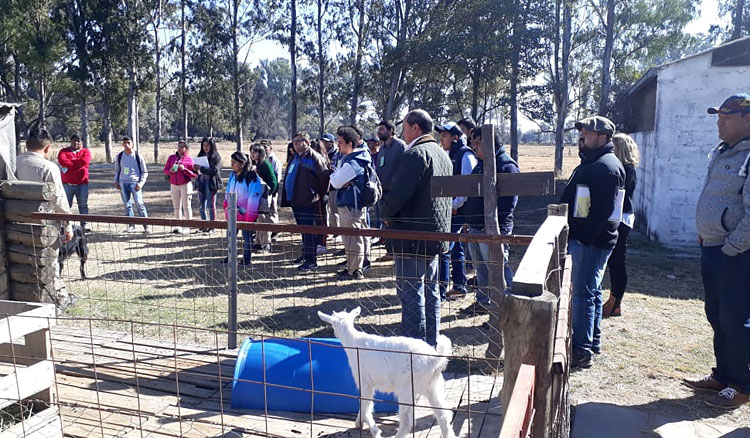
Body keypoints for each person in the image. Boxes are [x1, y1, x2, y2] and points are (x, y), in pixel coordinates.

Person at [684, 93, 750, 409]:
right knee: (717, 316)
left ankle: (742, 385)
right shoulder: (725, 152)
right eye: (718, 116)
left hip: (736, 254)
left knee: (736, 318)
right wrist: (707, 234)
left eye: (727, 117)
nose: (719, 122)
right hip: (714, 247)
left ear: (748, 119)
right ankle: (723, 375)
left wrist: (732, 247)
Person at [380, 109, 452, 347]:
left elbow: (399, 195)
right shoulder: (442, 154)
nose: (402, 132)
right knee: (430, 292)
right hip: (433, 234)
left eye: (404, 127)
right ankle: (430, 344)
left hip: (412, 234)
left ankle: (413, 348)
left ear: (415, 128)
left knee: (411, 293)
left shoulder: (416, 155)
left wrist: (385, 211)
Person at [559, 116, 624, 369]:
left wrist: (583, 238)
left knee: (584, 294)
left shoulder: (604, 166)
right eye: (582, 131)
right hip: (590, 240)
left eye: (588, 131)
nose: (582, 135)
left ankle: (581, 350)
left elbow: (602, 211)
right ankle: (591, 341)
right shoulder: (595, 162)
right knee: (592, 291)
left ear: (604, 137)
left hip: (590, 242)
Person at [459, 127, 519, 315]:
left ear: (489, 143)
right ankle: (485, 302)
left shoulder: (505, 165)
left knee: (498, 268)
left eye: (477, 143)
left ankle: (506, 308)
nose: (473, 147)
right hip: (476, 226)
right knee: (482, 269)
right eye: (472, 143)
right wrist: (469, 219)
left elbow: (510, 201)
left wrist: (492, 225)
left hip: (493, 229)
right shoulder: (481, 163)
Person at [16, 128, 75, 309]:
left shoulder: (13, 162)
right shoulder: (49, 167)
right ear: (48, 148)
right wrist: (68, 223)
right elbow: (58, 198)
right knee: (50, 261)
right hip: (45, 226)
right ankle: (57, 298)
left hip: (16, 223)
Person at [436, 121, 477, 301]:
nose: (441, 139)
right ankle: (460, 285)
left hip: (457, 212)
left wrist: (454, 205)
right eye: (441, 135)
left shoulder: (465, 155)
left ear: (455, 138)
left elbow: (467, 187)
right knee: (456, 248)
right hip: (451, 210)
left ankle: (441, 291)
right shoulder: (450, 154)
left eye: (444, 136)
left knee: (444, 249)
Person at [602, 133, 640, 318]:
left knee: (617, 261)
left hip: (622, 218)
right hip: (621, 216)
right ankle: (614, 299)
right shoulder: (626, 168)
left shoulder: (626, 169)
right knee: (615, 260)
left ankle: (616, 302)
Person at [281, 132, 330, 271]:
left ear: (307, 142)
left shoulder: (314, 158)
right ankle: (305, 254)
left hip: (308, 201)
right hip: (296, 201)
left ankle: (311, 260)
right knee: (303, 230)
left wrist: (316, 195)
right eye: (294, 141)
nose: (296, 143)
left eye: (300, 140)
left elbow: (324, 178)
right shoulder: (295, 157)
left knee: (309, 231)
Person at [330, 126, 372, 280]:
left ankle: (355, 270)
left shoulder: (354, 162)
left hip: (351, 206)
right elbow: (336, 178)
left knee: (353, 239)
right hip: (349, 205)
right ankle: (351, 267)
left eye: (340, 142)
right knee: (350, 238)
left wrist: (337, 178)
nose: (338, 145)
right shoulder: (350, 160)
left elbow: (335, 181)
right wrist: (337, 178)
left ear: (349, 143)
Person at [224, 151, 270, 266]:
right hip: (232, 210)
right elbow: (228, 190)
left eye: (234, 162)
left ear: (243, 163)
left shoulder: (252, 177)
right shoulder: (232, 175)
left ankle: (247, 258)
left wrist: (250, 214)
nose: (232, 164)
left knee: (247, 237)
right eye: (231, 162)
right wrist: (226, 203)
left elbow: (254, 196)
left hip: (246, 212)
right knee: (230, 235)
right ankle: (230, 255)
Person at [375, 120, 406, 260]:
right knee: (385, 222)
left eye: (382, 129)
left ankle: (399, 252)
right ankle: (390, 252)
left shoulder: (400, 146)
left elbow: (405, 169)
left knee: (395, 223)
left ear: (391, 131)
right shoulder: (382, 148)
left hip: (394, 192)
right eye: (379, 129)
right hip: (382, 192)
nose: (379, 132)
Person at [114, 136, 150, 233]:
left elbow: (145, 172)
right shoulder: (119, 156)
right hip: (123, 183)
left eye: (128, 142)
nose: (126, 145)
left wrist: (140, 183)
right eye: (124, 143)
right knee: (127, 205)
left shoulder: (138, 156)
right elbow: (117, 170)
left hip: (135, 183)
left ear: (132, 144)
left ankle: (146, 225)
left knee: (139, 204)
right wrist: (116, 181)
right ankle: (131, 225)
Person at [57, 134, 91, 232]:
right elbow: (63, 161)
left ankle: (85, 224)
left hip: (82, 184)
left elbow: (85, 161)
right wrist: (78, 164)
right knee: (66, 205)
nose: (76, 143)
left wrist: (71, 164)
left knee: (83, 204)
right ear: (70, 141)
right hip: (67, 184)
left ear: (82, 142)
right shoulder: (63, 151)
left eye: (79, 141)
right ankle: (66, 225)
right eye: (74, 141)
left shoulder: (86, 151)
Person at [164, 140, 197, 234]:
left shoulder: (189, 159)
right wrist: (170, 171)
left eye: (182, 146)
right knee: (176, 206)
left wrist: (185, 169)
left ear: (186, 149)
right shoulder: (171, 158)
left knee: (186, 206)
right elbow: (165, 170)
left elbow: (194, 175)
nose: (180, 148)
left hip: (185, 184)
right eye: (179, 146)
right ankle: (178, 226)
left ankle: (187, 226)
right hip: (174, 184)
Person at [250, 143, 278, 251]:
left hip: (265, 195)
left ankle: (266, 243)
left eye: (255, 152)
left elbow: (273, 181)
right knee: (257, 219)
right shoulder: (254, 165)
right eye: (251, 151)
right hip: (256, 195)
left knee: (264, 219)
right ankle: (258, 242)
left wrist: (269, 193)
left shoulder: (265, 164)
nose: (252, 154)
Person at [193, 137, 222, 233]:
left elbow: (214, 171)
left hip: (211, 183)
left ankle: (212, 227)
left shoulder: (216, 157)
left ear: (212, 146)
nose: (205, 147)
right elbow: (197, 170)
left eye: (208, 145)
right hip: (201, 182)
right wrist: (195, 168)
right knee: (201, 205)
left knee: (211, 205)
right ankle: (204, 225)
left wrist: (201, 169)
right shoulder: (200, 155)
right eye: (204, 145)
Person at [264, 142, 282, 243]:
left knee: (272, 210)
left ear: (271, 148)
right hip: (264, 190)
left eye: (266, 147)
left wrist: (273, 189)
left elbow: (277, 176)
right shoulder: (263, 159)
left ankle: (275, 230)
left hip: (272, 189)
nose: (264, 149)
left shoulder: (274, 160)